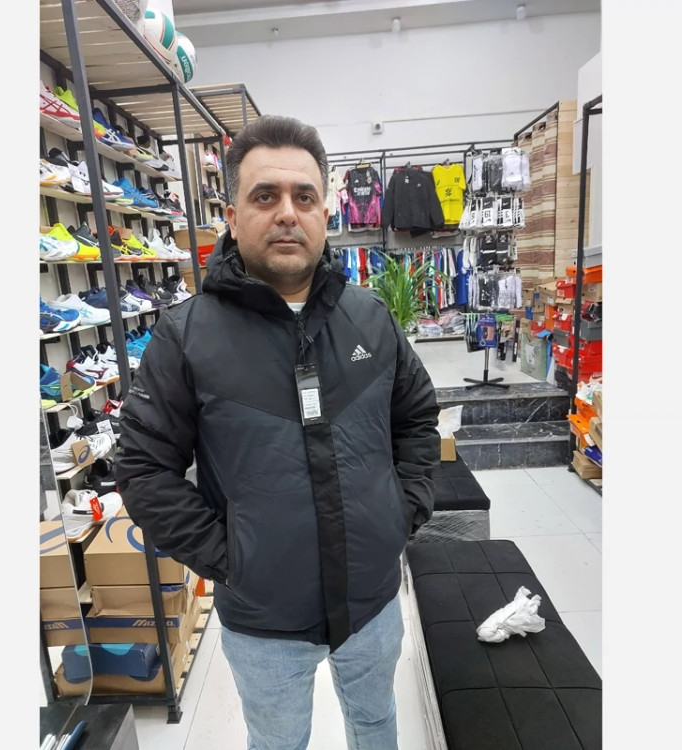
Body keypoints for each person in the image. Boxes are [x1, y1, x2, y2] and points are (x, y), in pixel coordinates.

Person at [114, 114, 441, 750]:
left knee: (376, 725)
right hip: (263, 620)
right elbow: (143, 469)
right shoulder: (187, 336)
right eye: (265, 196)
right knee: (278, 742)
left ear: (325, 214)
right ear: (232, 217)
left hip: (372, 600)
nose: (287, 213)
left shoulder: (370, 318)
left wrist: (401, 512)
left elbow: (417, 418)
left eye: (304, 196)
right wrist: (231, 558)